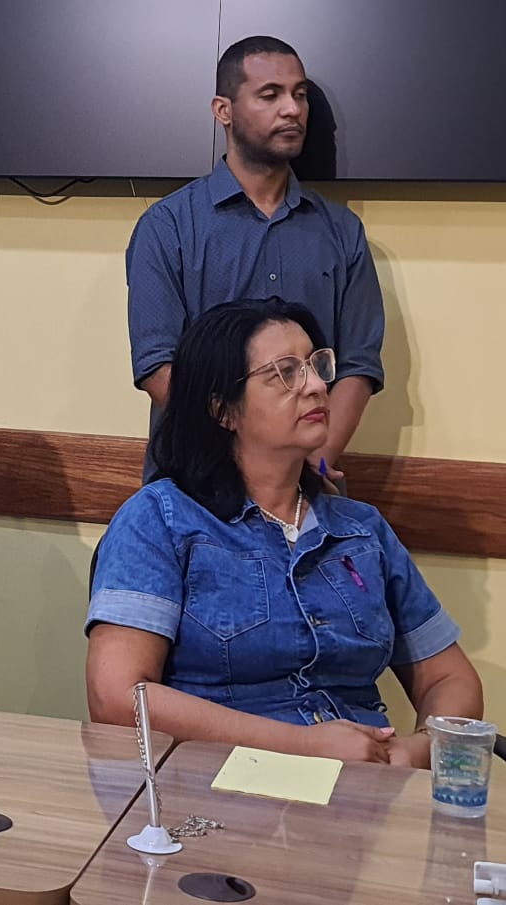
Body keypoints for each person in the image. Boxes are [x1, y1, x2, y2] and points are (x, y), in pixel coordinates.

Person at [86, 299, 481, 768]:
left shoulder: (361, 530)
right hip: (218, 784)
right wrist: (307, 747)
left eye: (316, 365)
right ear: (222, 410)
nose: (316, 386)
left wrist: (415, 750)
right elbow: (118, 698)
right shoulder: (161, 519)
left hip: (363, 786)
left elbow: (451, 680)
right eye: (285, 373)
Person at [127, 35, 384, 482]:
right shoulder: (167, 227)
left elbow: (358, 364)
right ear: (223, 110)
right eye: (270, 95)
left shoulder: (342, 232)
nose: (292, 109)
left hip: (305, 488)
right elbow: (157, 364)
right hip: (195, 488)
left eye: (299, 95)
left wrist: (317, 463)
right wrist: (247, 462)